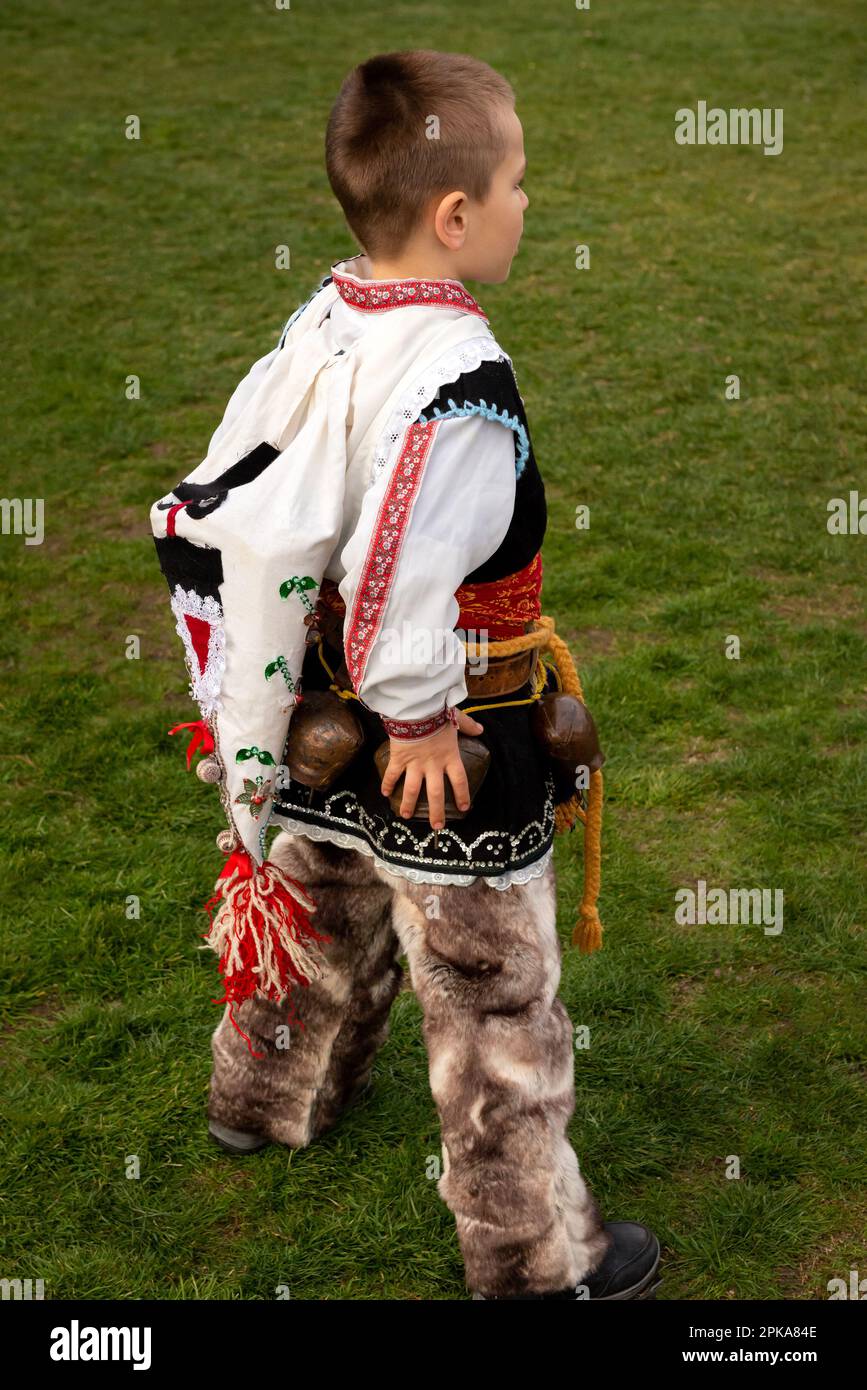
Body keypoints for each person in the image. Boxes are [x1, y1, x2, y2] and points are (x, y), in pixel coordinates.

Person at [149, 48, 661, 1301]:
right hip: (450, 743)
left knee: (318, 922)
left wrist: (362, 696)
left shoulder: (326, 320)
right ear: (454, 215)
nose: (529, 204)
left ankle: (264, 1102)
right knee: (492, 1007)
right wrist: (422, 716)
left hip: (316, 720)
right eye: (519, 183)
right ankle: (540, 1258)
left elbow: (252, 488)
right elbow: (400, 564)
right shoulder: (466, 388)